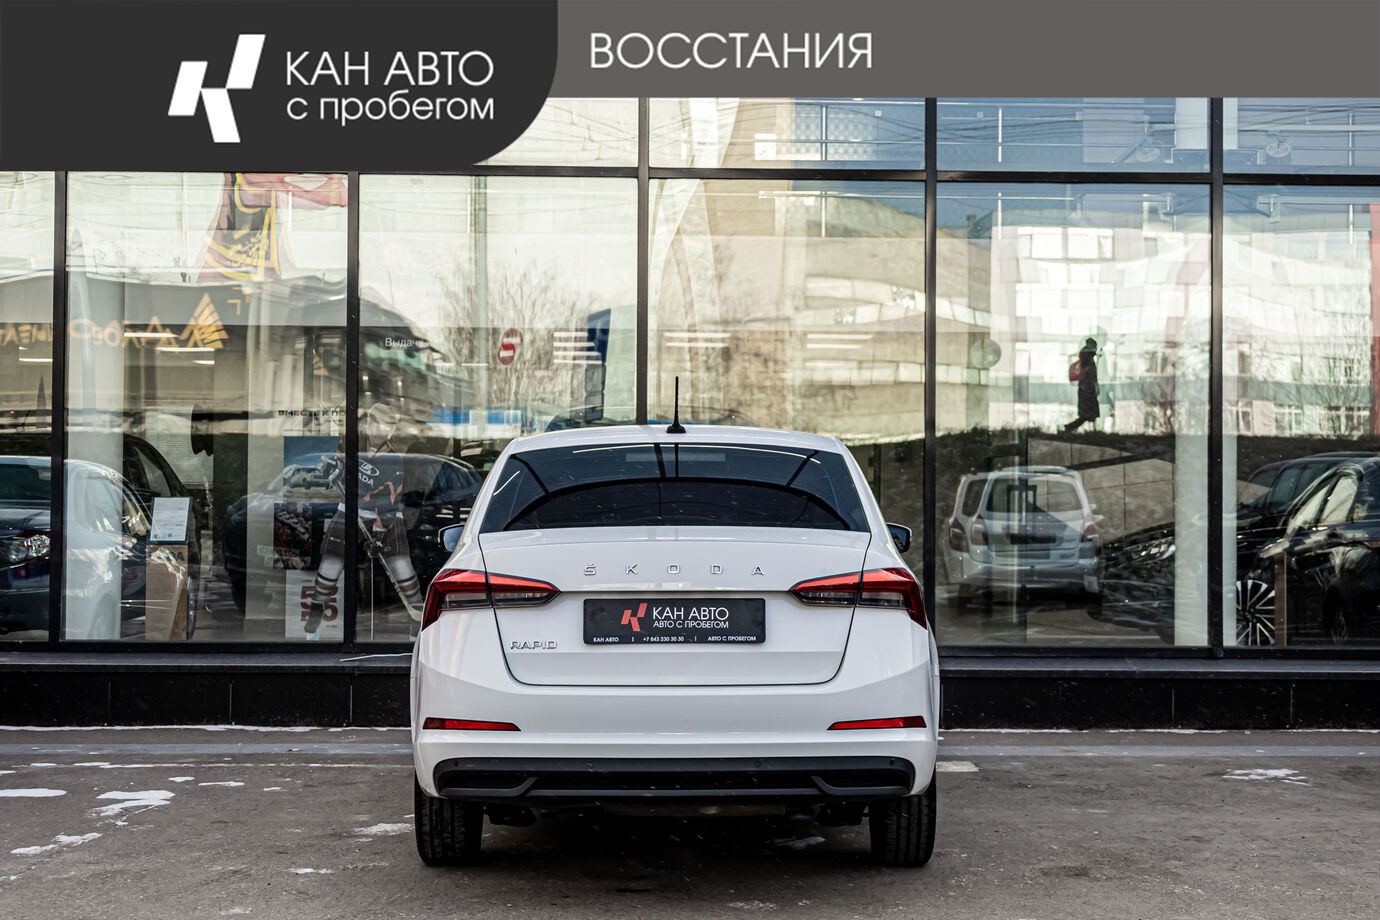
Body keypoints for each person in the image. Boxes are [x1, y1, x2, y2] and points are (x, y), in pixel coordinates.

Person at [304, 403, 425, 639]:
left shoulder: (394, 459)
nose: (377, 427)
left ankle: (416, 627)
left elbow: (390, 500)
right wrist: (333, 470)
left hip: (385, 515)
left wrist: (379, 532)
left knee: (401, 568)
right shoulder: (351, 444)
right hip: (349, 510)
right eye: (373, 421)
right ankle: (313, 624)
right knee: (330, 564)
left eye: (385, 423)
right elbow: (336, 466)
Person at [1064, 337, 1100, 432]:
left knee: (1090, 414)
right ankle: (1069, 428)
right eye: (1095, 347)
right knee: (1088, 414)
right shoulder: (1087, 358)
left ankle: (1092, 430)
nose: (1096, 349)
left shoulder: (1086, 357)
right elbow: (1091, 374)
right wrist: (1094, 385)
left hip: (1086, 388)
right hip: (1087, 389)